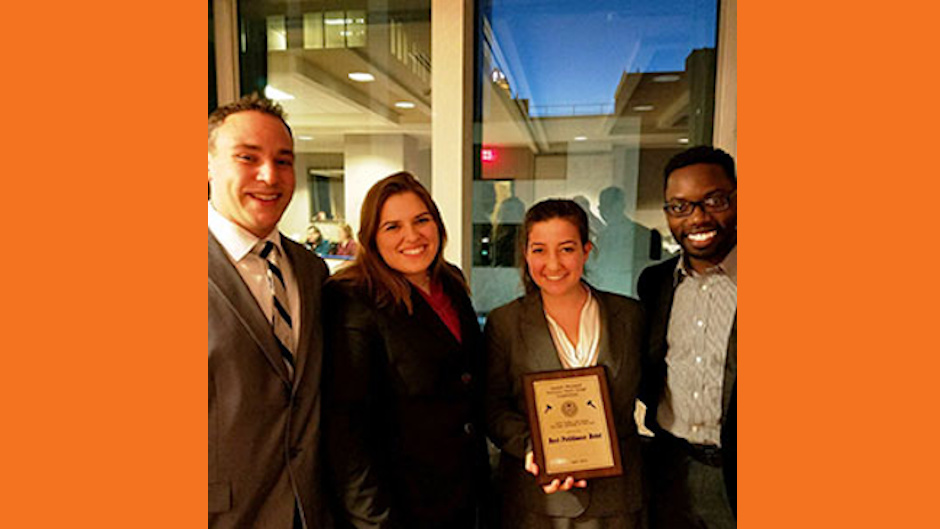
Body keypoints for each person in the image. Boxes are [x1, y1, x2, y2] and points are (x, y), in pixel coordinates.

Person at [324, 172, 490, 528]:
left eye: (421, 220)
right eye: (393, 227)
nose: (412, 236)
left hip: (464, 495)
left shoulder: (451, 281)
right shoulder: (353, 298)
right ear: (371, 236)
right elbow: (347, 432)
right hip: (400, 507)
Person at [484, 199, 646, 528]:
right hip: (537, 501)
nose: (553, 263)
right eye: (539, 250)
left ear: (586, 251)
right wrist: (533, 449)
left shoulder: (631, 316)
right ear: (525, 254)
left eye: (567, 249)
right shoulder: (505, 322)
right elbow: (492, 406)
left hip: (618, 501)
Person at [208, 93, 330, 529]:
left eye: (283, 161)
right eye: (248, 157)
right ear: (208, 165)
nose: (269, 175)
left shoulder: (311, 270)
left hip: (310, 509)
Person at [638, 146, 737, 528]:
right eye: (679, 206)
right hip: (669, 470)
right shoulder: (656, 283)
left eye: (714, 200)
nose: (697, 217)